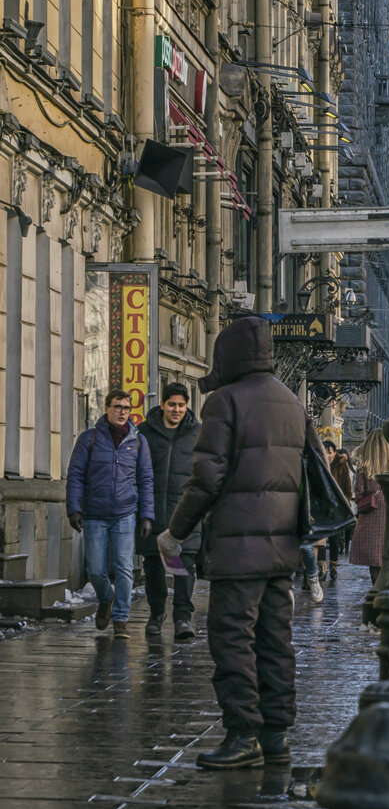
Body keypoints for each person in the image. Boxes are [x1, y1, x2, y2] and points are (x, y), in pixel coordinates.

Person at [156, 315, 321, 771]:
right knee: (275, 640)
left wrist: (175, 533)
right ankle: (276, 736)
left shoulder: (224, 401)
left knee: (232, 639)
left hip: (237, 547)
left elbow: (205, 478)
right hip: (282, 546)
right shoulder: (291, 401)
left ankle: (241, 733)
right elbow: (315, 467)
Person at [66, 389, 155, 639]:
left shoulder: (138, 441)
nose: (122, 412)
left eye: (126, 408)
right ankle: (106, 598)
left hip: (125, 513)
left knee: (124, 567)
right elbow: (75, 475)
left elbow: (146, 479)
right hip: (94, 513)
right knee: (95, 569)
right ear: (107, 408)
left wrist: (147, 515)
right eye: (117, 407)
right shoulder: (90, 438)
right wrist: (74, 508)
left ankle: (121, 619)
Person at [137, 383, 201, 641]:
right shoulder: (143, 433)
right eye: (172, 404)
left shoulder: (197, 434)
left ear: (187, 407)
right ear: (162, 404)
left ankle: (183, 618)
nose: (176, 409)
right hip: (151, 513)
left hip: (184, 514)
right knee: (153, 565)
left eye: (181, 405)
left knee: (183, 566)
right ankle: (156, 613)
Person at [349, 429, 389, 586]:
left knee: (374, 560)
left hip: (370, 516)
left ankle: (376, 592)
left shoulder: (364, 467)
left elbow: (358, 493)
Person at [328, 443, 357, 572]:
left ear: (334, 453)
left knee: (334, 535)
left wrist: (343, 501)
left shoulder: (342, 466)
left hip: (337, 506)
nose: (327, 455)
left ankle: (333, 563)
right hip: (321, 506)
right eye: (325, 451)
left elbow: (348, 489)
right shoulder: (317, 464)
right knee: (319, 540)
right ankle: (320, 567)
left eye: (330, 452)